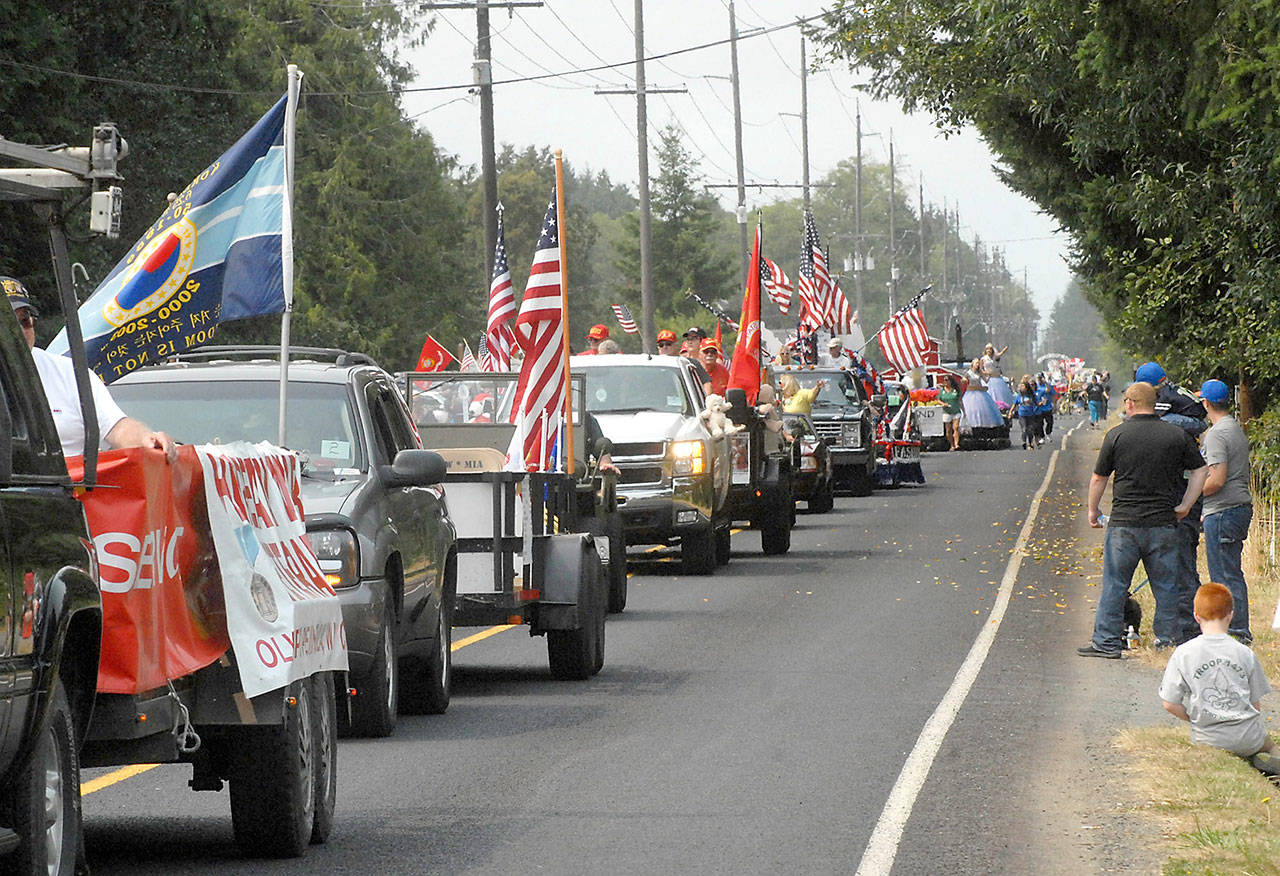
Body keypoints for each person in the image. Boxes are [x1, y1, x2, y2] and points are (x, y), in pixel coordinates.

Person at [1079, 382, 1208, 657]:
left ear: (1129, 403)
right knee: (1167, 587)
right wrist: (1186, 504)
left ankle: (1106, 643)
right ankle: (1167, 642)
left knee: (1115, 585)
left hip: (1125, 524)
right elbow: (1200, 471)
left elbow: (1099, 478)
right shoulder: (1176, 435)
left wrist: (1093, 510)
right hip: (1163, 523)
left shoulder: (1117, 435)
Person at [4, 276, 176, 462]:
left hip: (68, 489)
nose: (19, 331)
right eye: (7, 323)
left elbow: (117, 428)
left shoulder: (71, 373)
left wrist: (147, 439)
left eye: (25, 321)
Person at [1158, 582, 1280, 775]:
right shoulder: (1244, 653)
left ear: (1196, 616)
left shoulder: (1184, 653)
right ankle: (1270, 765)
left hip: (1208, 739)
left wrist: (1193, 719)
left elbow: (1169, 703)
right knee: (1271, 745)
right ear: (1231, 615)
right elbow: (1255, 705)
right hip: (1248, 738)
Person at [1138, 361, 1210, 644]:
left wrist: (1163, 423)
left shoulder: (1178, 400)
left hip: (1183, 498)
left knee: (1182, 565)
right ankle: (1184, 624)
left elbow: (1199, 420)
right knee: (1173, 565)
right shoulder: (1155, 402)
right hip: (1173, 497)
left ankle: (1190, 627)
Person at [1197, 379, 1255, 644]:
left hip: (1223, 510)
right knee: (1232, 570)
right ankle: (1237, 628)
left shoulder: (1218, 434)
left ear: (1206, 402)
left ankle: (1237, 631)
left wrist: (1192, 497)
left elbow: (1217, 478)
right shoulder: (1233, 427)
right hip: (1236, 507)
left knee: (1224, 574)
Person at [960, 358, 1003, 431]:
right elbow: (963, 380)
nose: (977, 365)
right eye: (976, 363)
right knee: (971, 409)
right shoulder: (968, 373)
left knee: (983, 408)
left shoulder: (979, 373)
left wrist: (989, 375)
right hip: (971, 392)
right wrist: (964, 380)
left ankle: (983, 425)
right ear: (972, 364)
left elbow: (986, 381)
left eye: (978, 363)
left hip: (979, 391)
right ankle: (971, 424)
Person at [981, 343, 1014, 408]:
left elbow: (1000, 354)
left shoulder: (994, 357)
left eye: (990, 349)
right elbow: (981, 369)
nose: (989, 350)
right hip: (988, 378)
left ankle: (1001, 407)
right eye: (987, 349)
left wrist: (1005, 349)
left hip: (996, 378)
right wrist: (985, 373)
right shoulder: (983, 359)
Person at [1016, 374, 1042, 450]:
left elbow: (1036, 403)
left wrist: (1039, 404)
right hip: (1022, 414)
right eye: (1021, 387)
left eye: (1023, 386)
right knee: (1024, 429)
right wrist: (1010, 412)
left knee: (1030, 429)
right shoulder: (1020, 396)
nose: (1022, 388)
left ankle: (1030, 444)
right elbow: (1015, 404)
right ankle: (1024, 441)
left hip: (1031, 414)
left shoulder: (1032, 395)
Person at [937, 374, 962, 451]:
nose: (945, 382)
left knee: (956, 427)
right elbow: (938, 399)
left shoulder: (955, 390)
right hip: (946, 411)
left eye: (947, 380)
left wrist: (963, 409)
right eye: (944, 380)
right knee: (948, 430)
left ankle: (956, 444)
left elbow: (960, 400)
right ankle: (952, 445)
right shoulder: (942, 391)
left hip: (955, 410)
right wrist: (943, 404)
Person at [1035, 372, 1055, 441]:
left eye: (1040, 378)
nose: (1039, 380)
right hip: (1039, 408)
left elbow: (1052, 393)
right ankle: (1042, 436)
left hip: (1047, 407)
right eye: (1038, 378)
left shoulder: (1047, 386)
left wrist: (1054, 405)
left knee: (1050, 422)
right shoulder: (1035, 386)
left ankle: (1048, 433)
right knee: (1040, 424)